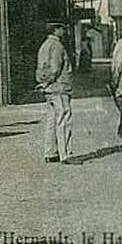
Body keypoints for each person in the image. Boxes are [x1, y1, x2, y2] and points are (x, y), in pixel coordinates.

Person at [35, 23, 75, 164]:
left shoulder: (44, 46)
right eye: (62, 28)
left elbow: (42, 68)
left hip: (50, 90)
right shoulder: (57, 46)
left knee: (52, 120)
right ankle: (66, 155)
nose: (64, 30)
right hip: (60, 88)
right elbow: (55, 68)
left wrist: (43, 83)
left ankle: (50, 153)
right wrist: (48, 82)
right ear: (55, 30)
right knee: (64, 119)